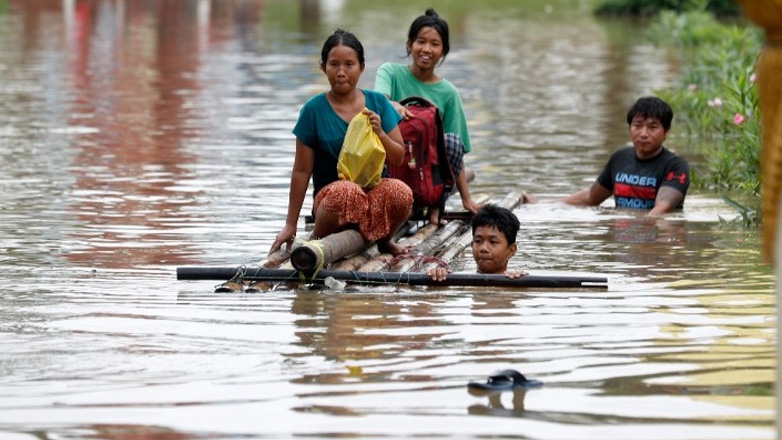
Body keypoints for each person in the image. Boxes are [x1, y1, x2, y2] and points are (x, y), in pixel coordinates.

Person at [269, 29, 413, 257]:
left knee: (400, 192)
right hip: (333, 203)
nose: (341, 72)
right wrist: (290, 224)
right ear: (323, 67)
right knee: (348, 191)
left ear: (361, 67)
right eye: (334, 64)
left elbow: (398, 157)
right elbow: (301, 170)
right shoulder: (313, 110)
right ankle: (318, 239)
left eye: (349, 64)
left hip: (372, 199)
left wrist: (380, 133)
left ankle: (384, 241)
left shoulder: (378, 103)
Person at [374, 8, 480, 224]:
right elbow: (378, 103)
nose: (426, 49)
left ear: (443, 51)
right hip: (392, 167)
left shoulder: (448, 93)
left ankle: (434, 208)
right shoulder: (390, 73)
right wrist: (392, 104)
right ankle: (392, 204)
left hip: (427, 177)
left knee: (451, 142)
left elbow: (455, 153)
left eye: (435, 44)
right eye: (421, 41)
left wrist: (466, 199)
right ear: (409, 44)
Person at [561, 96, 690, 215]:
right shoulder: (620, 158)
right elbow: (591, 198)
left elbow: (662, 209)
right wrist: (549, 205)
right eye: (637, 126)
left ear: (666, 132)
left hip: (655, 234)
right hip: (622, 235)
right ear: (630, 129)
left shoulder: (676, 166)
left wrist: (640, 231)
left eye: (652, 127)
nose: (643, 134)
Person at [427, 204, 526, 280]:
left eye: (493, 242)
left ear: (511, 250)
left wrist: (519, 283)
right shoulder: (455, 279)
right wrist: (437, 278)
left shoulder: (518, 281)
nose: (483, 248)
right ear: (472, 245)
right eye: (478, 241)